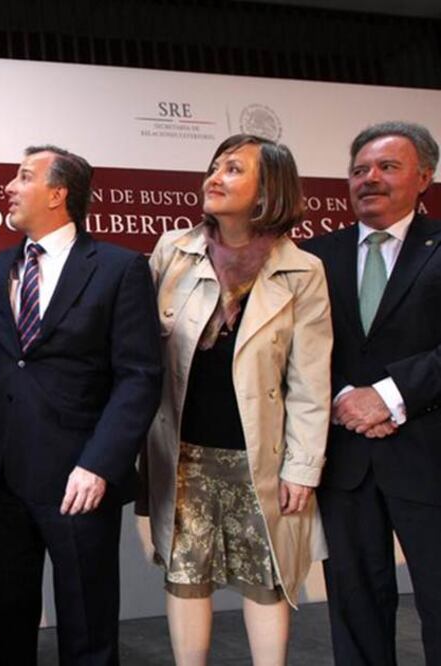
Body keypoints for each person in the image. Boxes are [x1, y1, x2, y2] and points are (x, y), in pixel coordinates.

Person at [0, 145, 162, 665]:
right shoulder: (3, 264)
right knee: (11, 608)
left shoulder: (119, 269)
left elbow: (139, 378)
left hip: (78, 475)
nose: (8, 186)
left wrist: (100, 464)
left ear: (59, 194)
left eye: (23, 176)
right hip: (4, 468)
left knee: (86, 612)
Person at [142, 134, 331, 665]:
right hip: (184, 452)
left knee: (266, 578)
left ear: (268, 187)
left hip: (261, 458)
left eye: (233, 169)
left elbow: (310, 381)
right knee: (185, 574)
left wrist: (303, 467)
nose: (214, 177)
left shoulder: (303, 270)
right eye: (213, 167)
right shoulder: (172, 252)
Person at [301, 121, 441, 665]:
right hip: (346, 460)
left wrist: (389, 394)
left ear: (423, 177)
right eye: (359, 170)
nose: (370, 179)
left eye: (387, 167)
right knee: (355, 608)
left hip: (427, 452)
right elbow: (294, 351)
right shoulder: (313, 258)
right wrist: (343, 398)